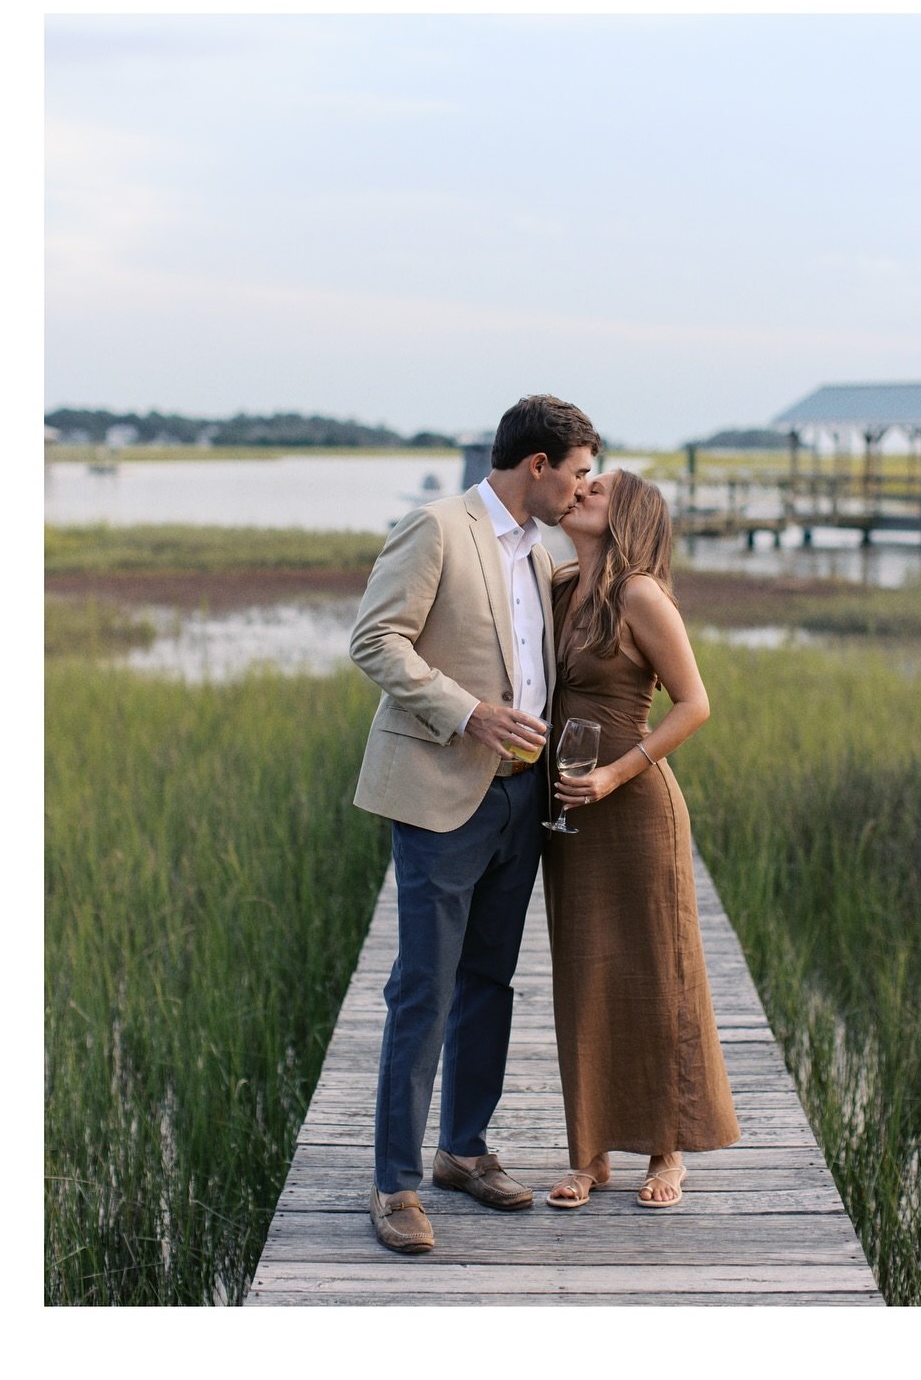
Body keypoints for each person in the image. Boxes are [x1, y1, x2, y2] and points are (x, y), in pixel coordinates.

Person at [349, 394, 601, 1253]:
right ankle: (394, 1184)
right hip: (439, 792)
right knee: (424, 985)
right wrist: (469, 714)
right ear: (537, 466)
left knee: (490, 979)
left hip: (521, 797)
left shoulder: (537, 549)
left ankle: (463, 1149)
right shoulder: (437, 527)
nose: (583, 488)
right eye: (578, 473)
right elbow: (377, 640)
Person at [541, 468, 740, 1210]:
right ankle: (588, 1157)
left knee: (659, 971)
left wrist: (617, 776)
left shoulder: (640, 595)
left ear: (627, 513)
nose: (583, 488)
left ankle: (668, 1151)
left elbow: (694, 704)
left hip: (633, 805)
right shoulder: (561, 587)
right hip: (569, 809)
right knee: (583, 970)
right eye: (584, 480)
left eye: (601, 486)